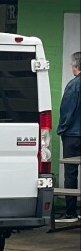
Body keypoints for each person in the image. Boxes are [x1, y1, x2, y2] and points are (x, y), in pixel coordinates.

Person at [56, 51, 81, 223]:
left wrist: (62, 129)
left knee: (71, 173)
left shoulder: (73, 85)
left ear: (75, 67)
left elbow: (67, 111)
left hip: (73, 135)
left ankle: (71, 213)